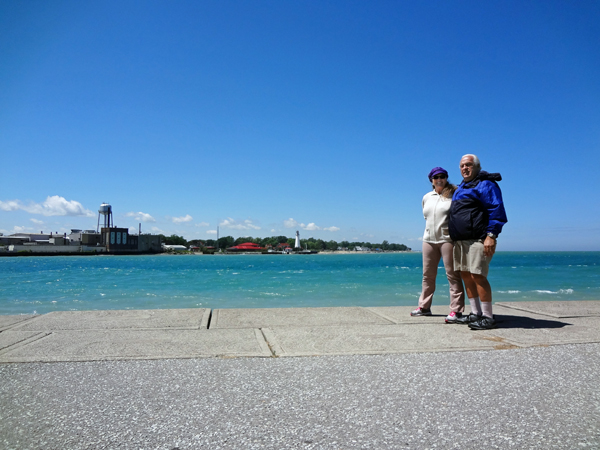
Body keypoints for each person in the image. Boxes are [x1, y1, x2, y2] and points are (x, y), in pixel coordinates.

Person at [448, 154, 507, 330]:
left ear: (477, 167)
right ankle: (475, 313)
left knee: (478, 276)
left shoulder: (486, 184)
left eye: (468, 165)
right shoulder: (461, 188)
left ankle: (488, 317)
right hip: (460, 241)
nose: (465, 168)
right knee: (466, 276)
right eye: (461, 166)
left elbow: (496, 209)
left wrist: (491, 235)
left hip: (478, 239)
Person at [411, 167, 465, 323]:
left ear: (446, 178)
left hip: (448, 240)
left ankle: (456, 310)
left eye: (442, 176)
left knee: (453, 275)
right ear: (431, 180)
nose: (439, 179)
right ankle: (424, 307)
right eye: (436, 177)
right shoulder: (427, 197)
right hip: (428, 240)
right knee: (427, 276)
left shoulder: (455, 194)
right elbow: (426, 216)